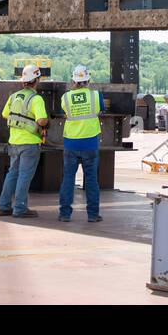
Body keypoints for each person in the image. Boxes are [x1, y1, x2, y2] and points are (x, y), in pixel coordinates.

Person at [0, 63, 49, 219]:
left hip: (14, 141)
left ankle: (4, 206)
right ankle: (20, 208)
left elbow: (5, 114)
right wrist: (47, 122)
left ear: (23, 81)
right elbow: (41, 120)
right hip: (30, 143)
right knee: (24, 176)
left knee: (12, 174)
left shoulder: (14, 97)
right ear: (37, 79)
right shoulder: (36, 99)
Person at [58, 65, 106, 223]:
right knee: (91, 180)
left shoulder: (65, 98)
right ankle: (93, 215)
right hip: (90, 143)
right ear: (88, 80)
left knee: (68, 179)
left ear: (73, 80)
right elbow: (101, 110)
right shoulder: (95, 95)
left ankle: (65, 214)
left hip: (71, 143)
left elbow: (65, 112)